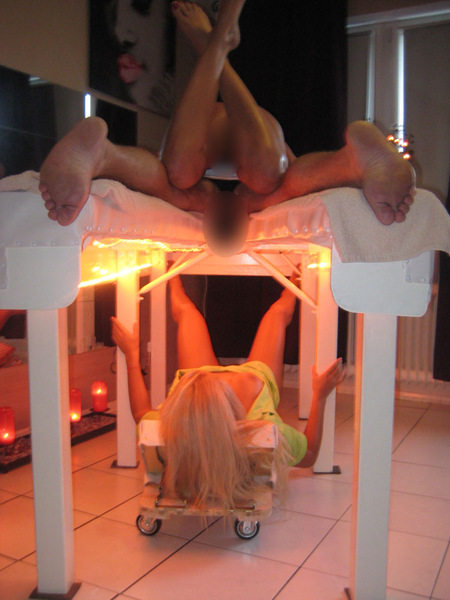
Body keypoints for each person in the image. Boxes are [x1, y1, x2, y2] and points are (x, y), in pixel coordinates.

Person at [39, 0, 415, 228]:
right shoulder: (249, 200)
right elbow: (296, 176)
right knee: (270, 177)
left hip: (211, 131)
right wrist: (328, 170)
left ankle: (214, 43)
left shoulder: (197, 199)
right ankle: (351, 160)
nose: (224, 217)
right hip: (245, 134)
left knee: (178, 173)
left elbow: (160, 178)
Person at [111, 273, 345, 509]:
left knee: (186, 312)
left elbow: (141, 413)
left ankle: (172, 273)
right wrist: (319, 395)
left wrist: (132, 357)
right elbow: (310, 453)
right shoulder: (262, 428)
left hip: (195, 378)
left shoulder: (177, 420)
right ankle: (294, 281)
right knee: (277, 313)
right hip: (254, 374)